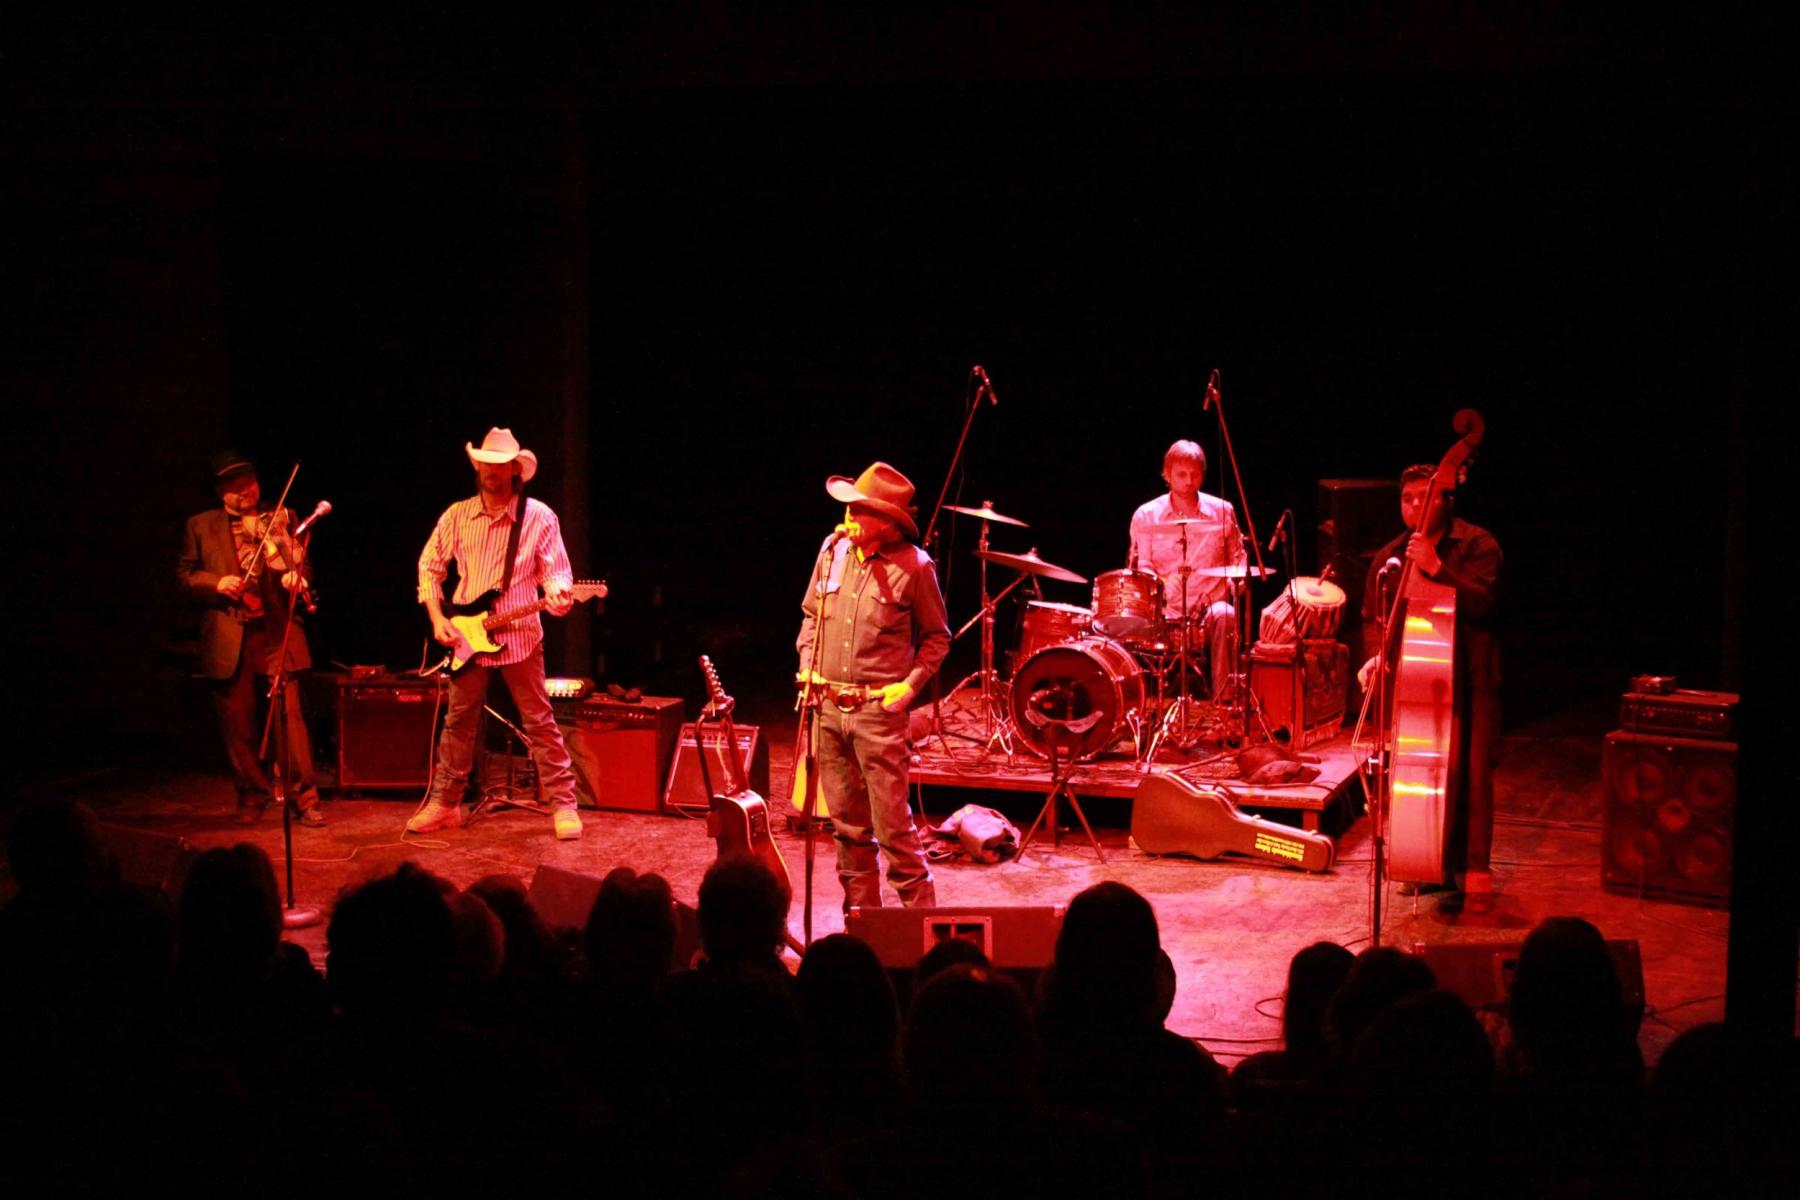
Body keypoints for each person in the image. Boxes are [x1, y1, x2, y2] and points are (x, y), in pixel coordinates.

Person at [408, 428, 583, 839]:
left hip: (521, 635)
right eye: (485, 462)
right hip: (468, 637)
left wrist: (558, 595)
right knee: (458, 722)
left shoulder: (538, 516)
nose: (492, 470)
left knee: (539, 721)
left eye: (500, 463)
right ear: (478, 466)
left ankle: (564, 805)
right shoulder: (456, 515)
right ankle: (445, 804)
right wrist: (437, 618)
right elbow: (429, 567)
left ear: (513, 469)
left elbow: (557, 574)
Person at [796, 461, 949, 911]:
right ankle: (863, 927)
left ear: (889, 523)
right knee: (848, 831)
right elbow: (809, 615)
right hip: (826, 709)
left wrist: (910, 686)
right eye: (850, 509)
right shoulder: (831, 551)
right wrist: (806, 663)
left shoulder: (915, 566)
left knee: (894, 832)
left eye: (860, 511)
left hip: (877, 715)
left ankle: (924, 935)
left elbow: (938, 637)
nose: (850, 519)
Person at [1358, 463, 1502, 907]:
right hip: (1419, 682)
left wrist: (1437, 567)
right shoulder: (1391, 556)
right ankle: (1425, 864)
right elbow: (1373, 616)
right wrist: (1377, 654)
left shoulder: (1478, 544)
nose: (1415, 506)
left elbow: (1487, 603)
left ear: (1446, 498)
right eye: (1407, 499)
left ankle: (1474, 869)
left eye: (1425, 497)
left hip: (1474, 678)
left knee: (1472, 773)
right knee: (1418, 774)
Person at [177, 451, 325, 826]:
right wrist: (216, 582)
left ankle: (304, 798)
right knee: (238, 724)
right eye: (235, 486)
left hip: (277, 631)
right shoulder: (200, 525)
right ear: (220, 491)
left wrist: (298, 577)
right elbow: (185, 573)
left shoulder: (283, 516)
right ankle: (251, 794)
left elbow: (299, 559)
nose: (246, 490)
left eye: (250, 481)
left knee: (290, 720)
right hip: (231, 631)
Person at [1128, 439, 1246, 697]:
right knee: (1124, 618)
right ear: (1166, 474)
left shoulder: (1223, 511)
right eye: (1181, 474)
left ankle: (1224, 703)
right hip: (1164, 610)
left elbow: (1239, 557)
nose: (1189, 480)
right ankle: (1142, 705)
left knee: (1226, 614)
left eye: (1195, 474)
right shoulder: (1146, 515)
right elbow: (1141, 566)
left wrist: (1238, 579)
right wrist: (1160, 584)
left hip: (1209, 607)